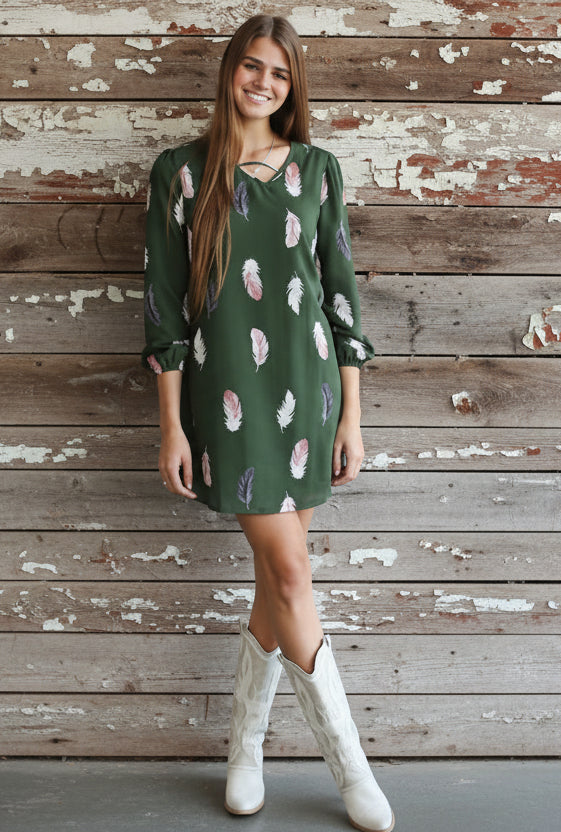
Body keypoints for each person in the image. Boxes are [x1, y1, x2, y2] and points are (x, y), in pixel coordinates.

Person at [140, 13, 393, 832]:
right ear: (230, 73)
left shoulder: (319, 171)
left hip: (308, 391)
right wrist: (172, 427)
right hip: (228, 396)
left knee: (275, 583)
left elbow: (342, 299)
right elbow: (164, 310)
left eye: (279, 74)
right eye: (252, 67)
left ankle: (244, 752)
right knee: (290, 577)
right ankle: (352, 768)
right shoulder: (181, 173)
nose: (263, 83)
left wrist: (353, 416)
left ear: (293, 86)